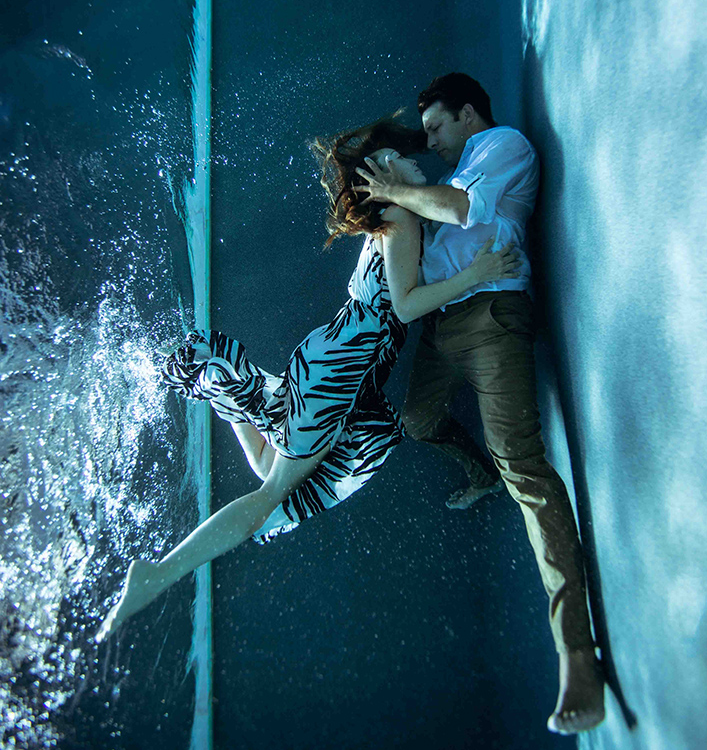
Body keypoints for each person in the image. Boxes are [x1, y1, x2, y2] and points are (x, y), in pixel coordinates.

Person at [96, 114, 520, 643]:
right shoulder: (400, 215)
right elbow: (406, 307)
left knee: (286, 466)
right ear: (383, 168)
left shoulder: (393, 219)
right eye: (404, 156)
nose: (417, 160)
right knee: (273, 494)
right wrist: (476, 275)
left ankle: (229, 393)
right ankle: (156, 575)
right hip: (341, 371)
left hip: (334, 361)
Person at [355, 73, 605, 736]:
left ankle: (576, 656)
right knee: (415, 420)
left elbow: (463, 209)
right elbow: (415, 272)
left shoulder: (503, 146)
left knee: (525, 467)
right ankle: (479, 471)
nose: (429, 138)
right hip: (443, 327)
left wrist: (394, 191)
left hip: (493, 317)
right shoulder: (455, 167)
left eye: (436, 125)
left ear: (468, 113)